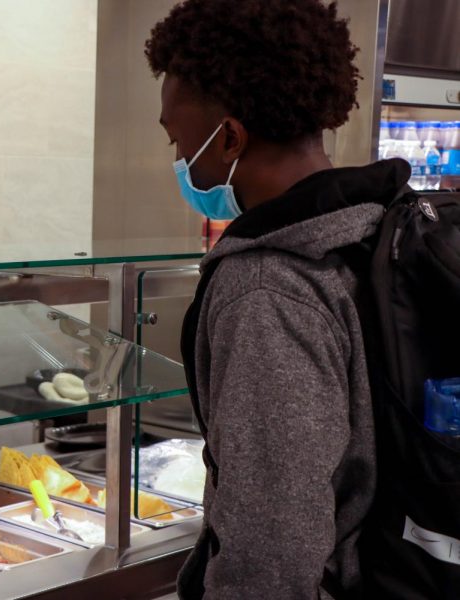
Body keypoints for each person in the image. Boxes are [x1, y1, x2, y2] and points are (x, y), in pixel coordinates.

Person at [144, 1, 398, 597]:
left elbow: (272, 543)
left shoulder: (268, 286)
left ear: (229, 137)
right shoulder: (372, 226)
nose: (179, 161)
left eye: (178, 140)